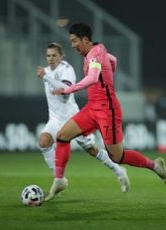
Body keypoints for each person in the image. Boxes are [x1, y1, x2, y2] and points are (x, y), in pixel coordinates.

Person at [45, 23, 166, 201]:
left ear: (85, 40)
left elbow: (94, 77)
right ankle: (59, 180)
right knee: (63, 135)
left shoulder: (94, 53)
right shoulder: (95, 52)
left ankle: (154, 165)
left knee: (117, 156)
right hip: (92, 107)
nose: (72, 45)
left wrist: (68, 90)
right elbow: (113, 60)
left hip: (107, 111)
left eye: (74, 41)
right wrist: (108, 79)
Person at [36, 42, 130, 196]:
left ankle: (119, 171)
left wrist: (46, 78)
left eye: (54, 55)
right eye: (48, 55)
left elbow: (65, 92)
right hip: (55, 119)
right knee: (43, 142)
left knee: (91, 149)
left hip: (72, 118)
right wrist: (46, 75)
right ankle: (59, 179)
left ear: (61, 56)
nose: (51, 58)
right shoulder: (46, 71)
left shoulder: (66, 69)